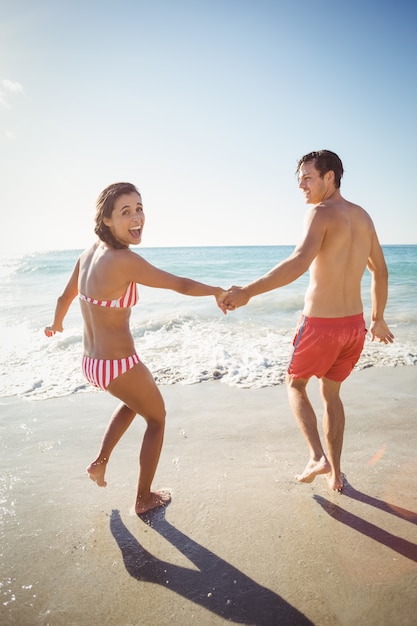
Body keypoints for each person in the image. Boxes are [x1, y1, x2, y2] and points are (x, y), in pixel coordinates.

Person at [45, 182, 228, 514]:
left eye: (139, 208)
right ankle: (143, 498)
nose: (136, 217)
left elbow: (64, 297)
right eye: (125, 212)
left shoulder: (87, 254)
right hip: (118, 364)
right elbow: (180, 284)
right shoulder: (123, 261)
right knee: (157, 419)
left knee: (134, 403)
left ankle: (100, 463)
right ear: (107, 220)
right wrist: (215, 290)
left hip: (92, 363)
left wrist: (56, 325)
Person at [224, 150, 394, 492]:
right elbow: (381, 271)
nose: (301, 185)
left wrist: (248, 291)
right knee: (331, 394)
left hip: (321, 325)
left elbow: (298, 262)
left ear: (329, 177)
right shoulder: (363, 217)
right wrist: (377, 318)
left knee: (295, 385)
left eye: (308, 177)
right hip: (353, 327)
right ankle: (336, 475)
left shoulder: (319, 213)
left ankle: (318, 456)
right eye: (299, 179)